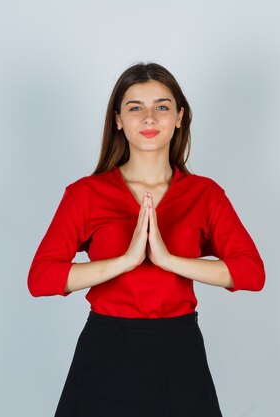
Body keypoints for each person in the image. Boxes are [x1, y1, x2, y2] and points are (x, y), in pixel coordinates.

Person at [27, 62, 265, 417]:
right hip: (105, 352)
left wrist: (168, 260)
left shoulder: (205, 195)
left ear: (180, 117)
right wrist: (125, 261)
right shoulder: (85, 194)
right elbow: (40, 278)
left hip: (179, 354)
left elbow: (252, 273)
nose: (149, 118)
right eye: (135, 107)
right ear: (118, 119)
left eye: (162, 106)